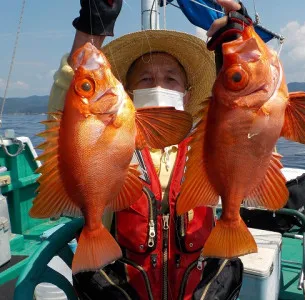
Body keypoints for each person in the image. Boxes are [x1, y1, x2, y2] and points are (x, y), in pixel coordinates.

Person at [48, 0, 253, 299]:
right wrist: (93, 27)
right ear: (127, 94)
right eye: (145, 79)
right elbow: (73, 106)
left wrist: (241, 45)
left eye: (171, 78)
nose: (159, 84)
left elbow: (245, 110)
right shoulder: (109, 142)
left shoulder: (210, 143)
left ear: (189, 93)